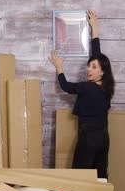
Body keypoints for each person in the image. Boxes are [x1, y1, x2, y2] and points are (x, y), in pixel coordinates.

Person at [49, 10, 115, 179]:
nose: (89, 69)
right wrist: (95, 29)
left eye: (93, 68)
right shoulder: (106, 89)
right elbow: (97, 56)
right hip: (104, 139)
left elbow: (66, 86)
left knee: (79, 178)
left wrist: (59, 67)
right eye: (89, 66)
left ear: (102, 72)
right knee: (100, 178)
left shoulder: (87, 88)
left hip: (89, 139)